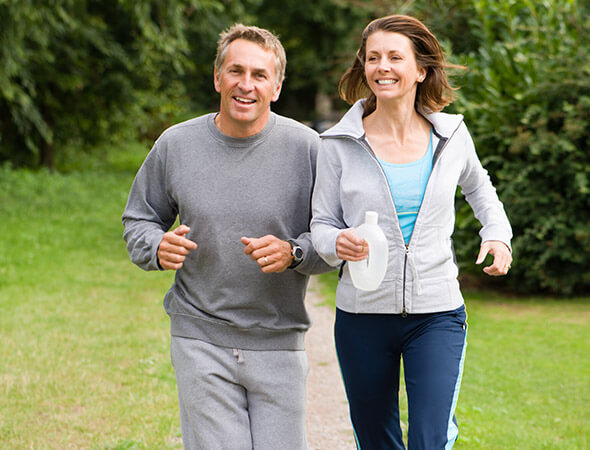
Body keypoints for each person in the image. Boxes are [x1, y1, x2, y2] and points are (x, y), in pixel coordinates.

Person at [122, 24, 331, 450]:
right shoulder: (175, 145)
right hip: (200, 336)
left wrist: (294, 252)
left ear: (276, 87)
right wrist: (156, 246)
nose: (246, 84)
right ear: (217, 77)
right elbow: (139, 219)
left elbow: (333, 243)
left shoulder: (309, 149)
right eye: (236, 71)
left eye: (259, 75)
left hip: (279, 341)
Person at [310, 14, 513, 450]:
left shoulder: (451, 135)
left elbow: (481, 190)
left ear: (420, 70)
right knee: (376, 439)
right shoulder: (337, 144)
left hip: (437, 311)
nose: (382, 66)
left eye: (394, 57)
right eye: (373, 57)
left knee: (429, 438)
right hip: (362, 315)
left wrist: (497, 234)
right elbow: (321, 224)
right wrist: (336, 243)